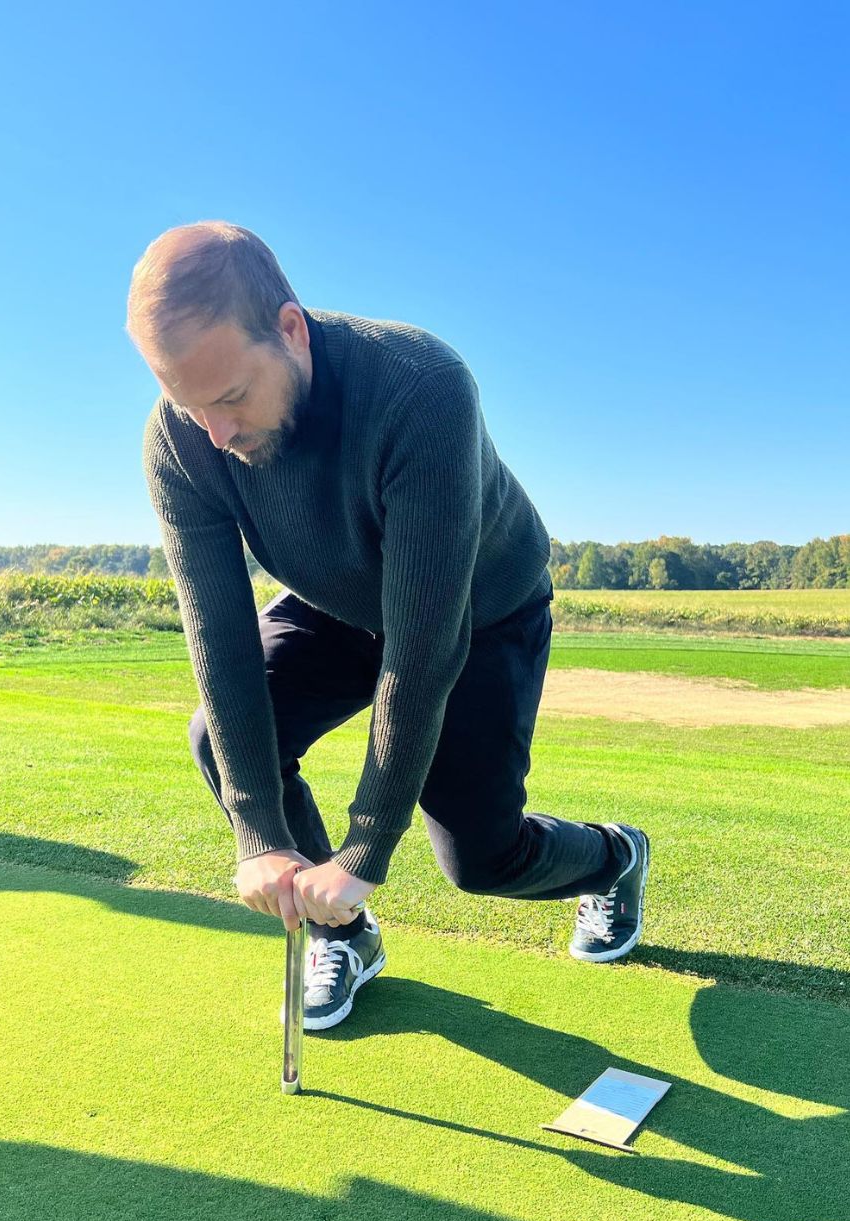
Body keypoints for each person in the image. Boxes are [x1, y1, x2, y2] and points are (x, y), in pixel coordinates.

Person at [126, 220, 651, 1031]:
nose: (217, 435)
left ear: (291, 331)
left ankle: (612, 859)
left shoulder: (420, 385)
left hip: (480, 609)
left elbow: (423, 645)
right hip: (338, 603)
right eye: (190, 407)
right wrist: (259, 833)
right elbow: (220, 639)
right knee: (222, 739)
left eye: (230, 397)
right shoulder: (180, 441)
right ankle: (349, 937)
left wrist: (365, 846)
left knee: (482, 860)